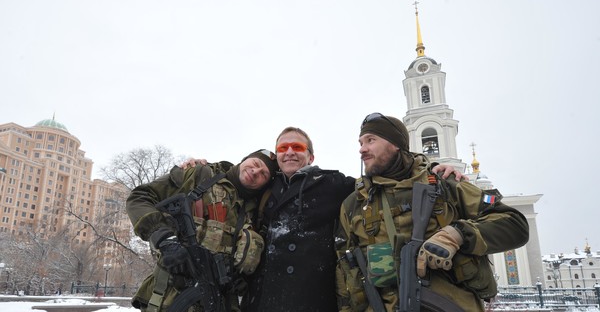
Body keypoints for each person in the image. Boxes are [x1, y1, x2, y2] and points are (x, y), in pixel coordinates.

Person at [239, 127, 464, 312]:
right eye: (282, 148)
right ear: (276, 155)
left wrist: (430, 168)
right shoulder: (264, 186)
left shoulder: (333, 183)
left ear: (310, 156)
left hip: (312, 300)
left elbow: (382, 181)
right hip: (262, 300)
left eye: (297, 147)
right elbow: (235, 180)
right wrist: (204, 169)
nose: (289, 152)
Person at [335, 113, 529, 311]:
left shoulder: (445, 183)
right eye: (360, 142)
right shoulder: (354, 204)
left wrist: (458, 234)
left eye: (370, 140)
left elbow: (515, 224)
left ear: (395, 144)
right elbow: (344, 274)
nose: (362, 149)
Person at [126, 149, 279, 312]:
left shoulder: (256, 212)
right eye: (255, 164)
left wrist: (242, 279)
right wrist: (164, 239)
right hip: (167, 297)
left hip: (220, 303)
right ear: (245, 159)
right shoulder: (200, 174)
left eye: (264, 174)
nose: (255, 172)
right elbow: (139, 197)